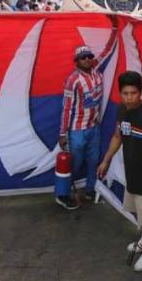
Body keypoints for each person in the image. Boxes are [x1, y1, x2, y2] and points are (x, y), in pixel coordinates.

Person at [96, 71, 142, 272]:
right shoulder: (121, 110)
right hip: (132, 172)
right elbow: (117, 137)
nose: (129, 97)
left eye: (134, 93)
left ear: (141, 92)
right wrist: (106, 160)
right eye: (125, 93)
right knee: (136, 210)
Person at [56, 45, 104, 210]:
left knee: (93, 161)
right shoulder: (73, 80)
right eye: (83, 57)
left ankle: (90, 190)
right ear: (76, 61)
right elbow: (67, 108)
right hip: (76, 130)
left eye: (89, 56)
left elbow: (106, 50)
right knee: (73, 164)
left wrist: (113, 28)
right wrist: (63, 133)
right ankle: (63, 195)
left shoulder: (97, 74)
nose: (87, 59)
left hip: (94, 128)